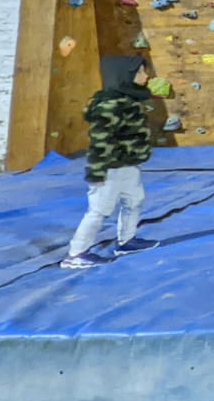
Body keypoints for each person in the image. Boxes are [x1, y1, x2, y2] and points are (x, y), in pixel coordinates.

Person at [61, 55, 159, 269]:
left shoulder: (130, 100)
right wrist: (97, 172)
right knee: (99, 210)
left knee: (134, 201)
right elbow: (100, 141)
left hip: (127, 165)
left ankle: (126, 240)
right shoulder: (109, 105)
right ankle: (76, 253)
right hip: (110, 168)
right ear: (124, 75)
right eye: (139, 72)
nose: (145, 76)